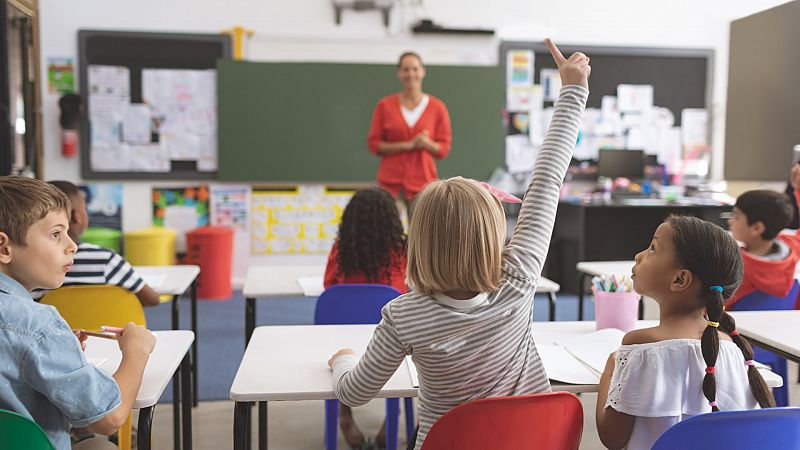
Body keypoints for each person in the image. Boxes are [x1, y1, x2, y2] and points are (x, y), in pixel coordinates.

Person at [328, 39, 589, 450]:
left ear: (420, 240)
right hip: (532, 442)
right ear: (493, 234)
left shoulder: (403, 315)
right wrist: (574, 90)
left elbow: (354, 393)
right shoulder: (518, 280)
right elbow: (546, 182)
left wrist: (342, 360)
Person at [0, 176, 156, 450]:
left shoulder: (38, 333)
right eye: (56, 234)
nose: (71, 245)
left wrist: (57, 348)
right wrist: (137, 351)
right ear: (4, 248)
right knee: (102, 445)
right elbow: (109, 419)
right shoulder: (39, 326)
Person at [596, 215, 775, 450]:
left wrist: (610, 371)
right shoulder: (734, 349)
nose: (639, 256)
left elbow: (612, 438)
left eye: (653, 248)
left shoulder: (640, 345)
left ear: (680, 279)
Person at [323, 187, 407, 448]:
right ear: (392, 219)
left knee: (340, 353)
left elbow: (329, 287)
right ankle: (390, 423)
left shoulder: (343, 249)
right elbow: (413, 290)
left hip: (343, 340)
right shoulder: (403, 250)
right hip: (391, 343)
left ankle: (344, 416)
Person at [31, 181, 160, 307]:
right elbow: (152, 299)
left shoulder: (33, 266)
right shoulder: (106, 260)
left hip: (49, 328)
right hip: (103, 328)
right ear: (78, 216)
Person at [367, 51, 452, 220]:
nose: (411, 74)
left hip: (423, 183)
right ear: (399, 73)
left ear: (423, 71)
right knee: (384, 233)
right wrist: (407, 145)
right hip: (390, 184)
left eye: (415, 69)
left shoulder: (437, 107)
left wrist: (427, 143)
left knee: (420, 236)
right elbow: (374, 144)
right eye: (406, 69)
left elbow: (443, 149)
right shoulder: (385, 105)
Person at [725, 164, 800, 309]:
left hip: (735, 330)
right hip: (778, 328)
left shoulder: (733, 266)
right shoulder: (792, 248)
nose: (730, 220)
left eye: (736, 216)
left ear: (757, 228)